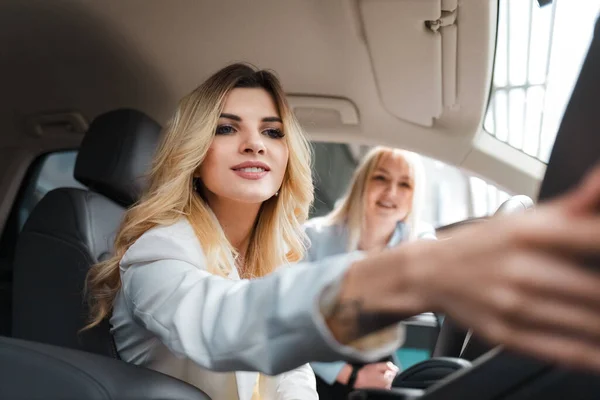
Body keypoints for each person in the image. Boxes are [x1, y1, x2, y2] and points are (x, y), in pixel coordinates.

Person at [83, 63, 600, 400]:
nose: (254, 144)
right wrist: (410, 274)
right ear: (195, 155)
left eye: (271, 131)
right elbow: (222, 326)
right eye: (226, 128)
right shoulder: (157, 250)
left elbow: (290, 380)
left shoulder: (273, 258)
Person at [305, 146, 433, 396]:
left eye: (405, 184)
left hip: (373, 357)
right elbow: (292, 330)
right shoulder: (312, 238)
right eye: (381, 178)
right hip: (316, 363)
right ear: (361, 184)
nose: (391, 192)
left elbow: (437, 263)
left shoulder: (418, 240)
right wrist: (351, 375)